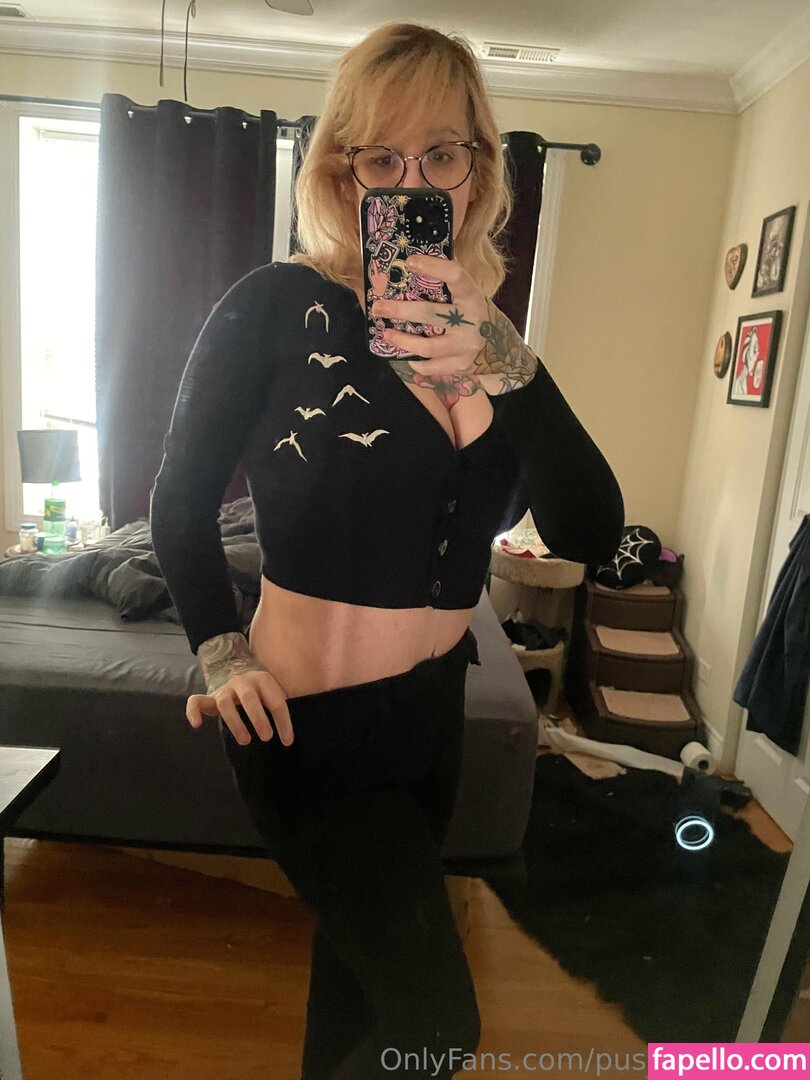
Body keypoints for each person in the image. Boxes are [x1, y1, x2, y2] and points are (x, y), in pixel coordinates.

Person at [150, 22, 624, 1080]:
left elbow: (591, 530)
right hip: (307, 727)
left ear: (480, 170)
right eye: (381, 157)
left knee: (359, 987)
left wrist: (504, 357)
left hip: (430, 719)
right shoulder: (274, 309)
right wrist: (220, 650)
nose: (413, 181)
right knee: (436, 1026)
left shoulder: (489, 339)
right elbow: (177, 503)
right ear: (342, 170)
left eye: (442, 153)